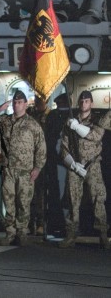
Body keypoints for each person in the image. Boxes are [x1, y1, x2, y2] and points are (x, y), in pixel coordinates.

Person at [59, 91, 109, 249]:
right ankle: (71, 234)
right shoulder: (70, 122)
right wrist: (72, 164)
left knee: (98, 200)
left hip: (92, 165)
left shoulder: (97, 120)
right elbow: (64, 148)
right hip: (76, 167)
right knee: (73, 201)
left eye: (87, 101)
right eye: (81, 101)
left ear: (91, 103)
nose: (83, 103)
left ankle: (103, 235)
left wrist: (77, 126)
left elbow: (95, 136)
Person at [0, 90, 46, 247]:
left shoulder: (33, 124)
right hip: (9, 169)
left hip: (26, 171)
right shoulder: (4, 121)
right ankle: (10, 233)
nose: (16, 104)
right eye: (14, 102)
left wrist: (38, 167)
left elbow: (41, 147)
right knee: (8, 202)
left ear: (25, 104)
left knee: (24, 203)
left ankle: (22, 232)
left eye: (19, 102)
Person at [44, 93, 71, 236]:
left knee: (61, 194)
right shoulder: (58, 116)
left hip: (61, 162)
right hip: (58, 162)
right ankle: (60, 225)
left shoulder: (55, 116)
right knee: (60, 194)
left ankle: (61, 225)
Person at [26, 96, 51, 236]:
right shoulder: (31, 114)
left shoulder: (50, 115)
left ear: (45, 101)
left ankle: (41, 223)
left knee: (41, 193)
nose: (37, 103)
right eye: (36, 100)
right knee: (29, 193)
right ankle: (30, 223)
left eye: (40, 101)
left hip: (44, 159)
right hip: (29, 158)